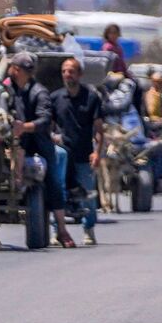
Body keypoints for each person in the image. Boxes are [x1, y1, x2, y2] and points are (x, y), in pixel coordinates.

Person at [8, 51, 75, 247]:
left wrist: (24, 127)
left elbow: (45, 119)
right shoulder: (6, 89)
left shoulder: (40, 92)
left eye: (22, 70)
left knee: (53, 181)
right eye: (18, 69)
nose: (17, 73)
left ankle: (61, 229)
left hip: (37, 142)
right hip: (11, 141)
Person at [50, 57, 103, 245]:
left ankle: (88, 229)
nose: (67, 74)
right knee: (59, 192)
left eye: (71, 71)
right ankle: (56, 230)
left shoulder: (91, 97)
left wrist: (97, 152)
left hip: (84, 154)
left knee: (88, 193)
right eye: (64, 71)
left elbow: (98, 128)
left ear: (79, 74)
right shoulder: (55, 98)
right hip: (62, 156)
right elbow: (49, 126)